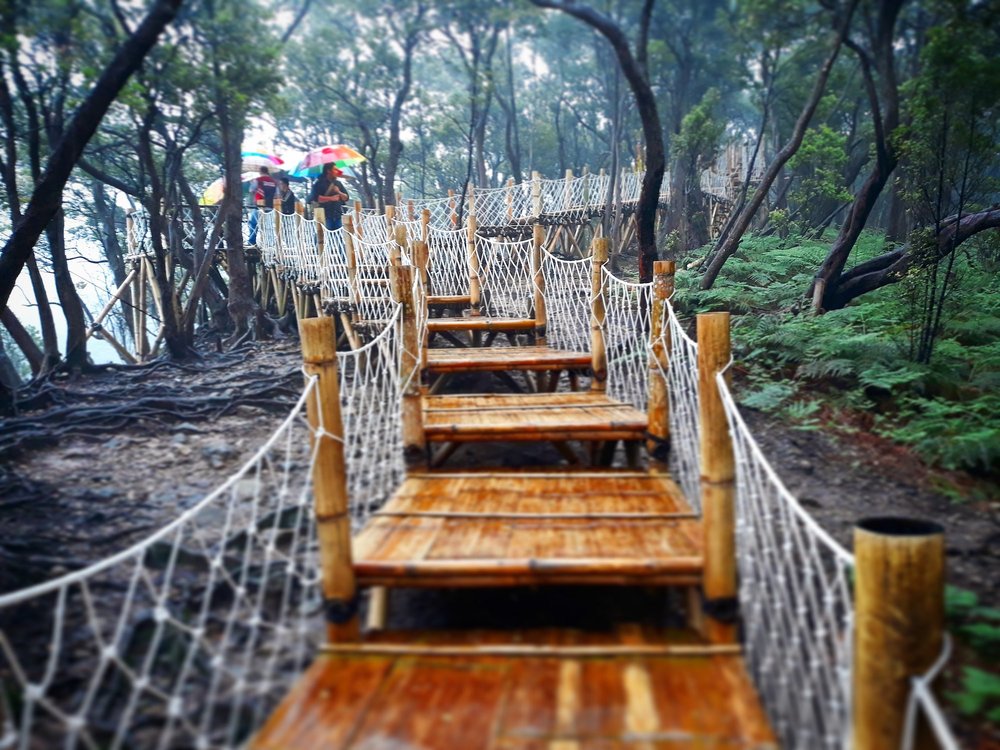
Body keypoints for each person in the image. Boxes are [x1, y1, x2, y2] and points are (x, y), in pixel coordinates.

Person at [307, 164, 350, 230]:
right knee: (323, 236)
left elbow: (346, 198)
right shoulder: (319, 183)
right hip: (324, 216)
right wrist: (331, 198)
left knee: (340, 237)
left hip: (338, 214)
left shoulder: (338, 183)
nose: (337, 171)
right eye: (335, 169)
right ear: (328, 171)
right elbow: (316, 198)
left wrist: (339, 192)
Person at [247, 167, 278, 245]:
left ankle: (251, 242)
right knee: (268, 225)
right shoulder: (274, 182)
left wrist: (251, 183)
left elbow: (251, 190)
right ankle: (270, 243)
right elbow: (277, 195)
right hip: (270, 206)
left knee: (253, 223)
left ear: (260, 172)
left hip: (259, 206)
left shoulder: (258, 180)